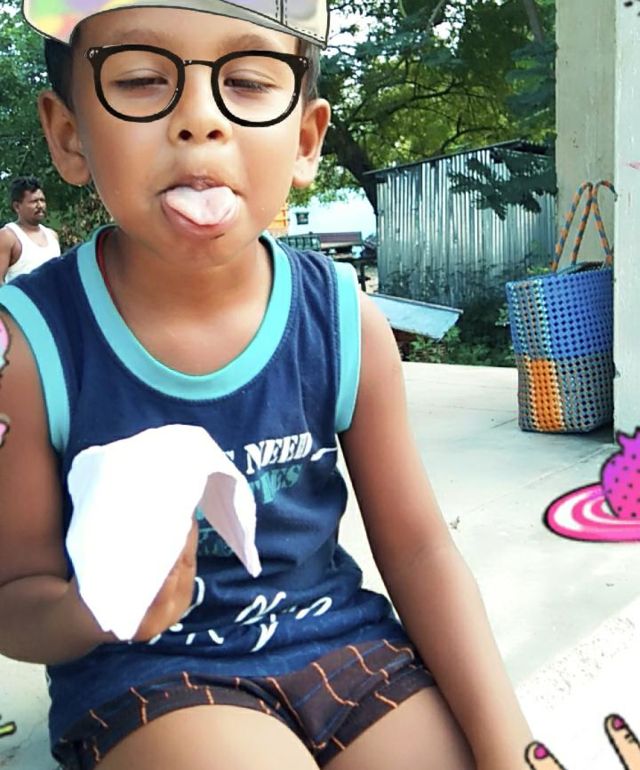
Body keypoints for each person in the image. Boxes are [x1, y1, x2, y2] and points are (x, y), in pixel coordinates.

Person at [0, 2, 532, 769]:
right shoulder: (28, 346)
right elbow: (15, 594)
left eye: (248, 82)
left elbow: (420, 551)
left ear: (306, 140)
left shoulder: (343, 320)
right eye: (143, 79)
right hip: (155, 670)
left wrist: (512, 747)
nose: (200, 118)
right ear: (69, 134)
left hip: (342, 644)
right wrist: (94, 611)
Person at [0, 176, 60, 283]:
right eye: (34, 201)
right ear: (17, 206)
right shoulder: (8, 236)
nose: (40, 205)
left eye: (42, 200)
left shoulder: (52, 236)